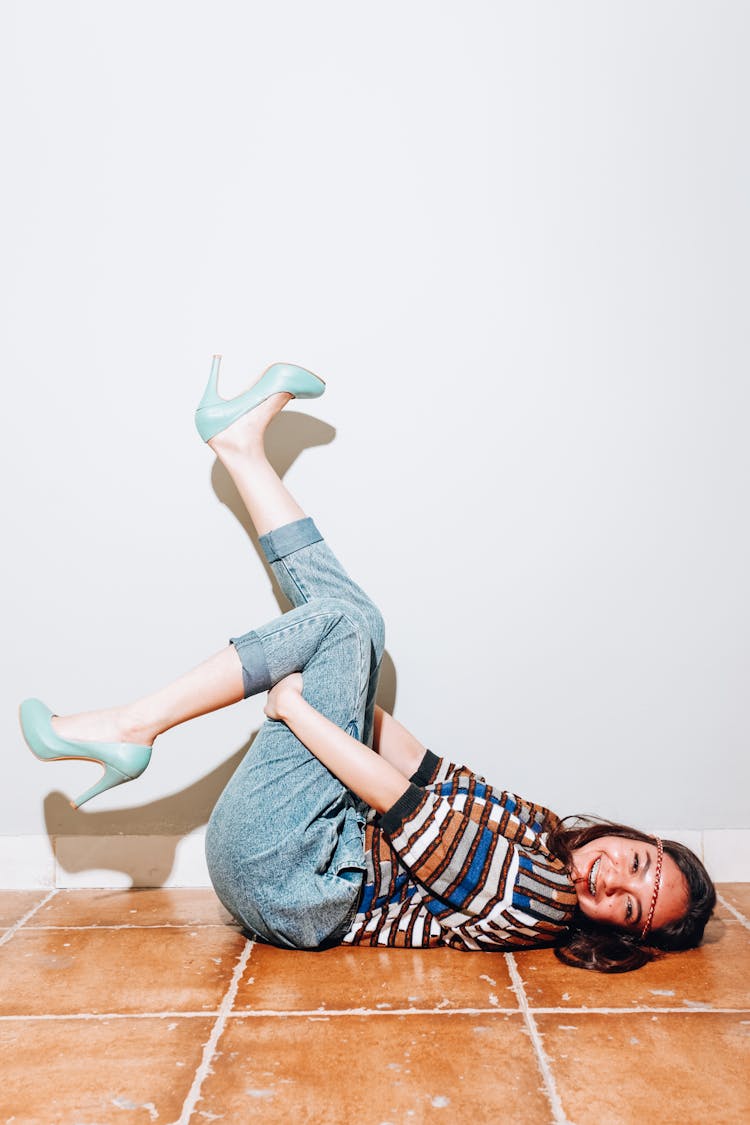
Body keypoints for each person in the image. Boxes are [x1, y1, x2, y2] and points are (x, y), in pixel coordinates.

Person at [19, 357, 716, 973]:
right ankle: (239, 447)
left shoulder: (540, 898)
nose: (612, 884)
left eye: (630, 911)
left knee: (349, 629)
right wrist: (339, 686)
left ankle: (131, 727)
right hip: (293, 858)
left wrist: (298, 704)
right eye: (637, 865)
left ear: (619, 936)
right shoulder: (545, 830)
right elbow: (430, 773)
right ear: (639, 837)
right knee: (357, 624)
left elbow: (401, 803)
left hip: (288, 880)